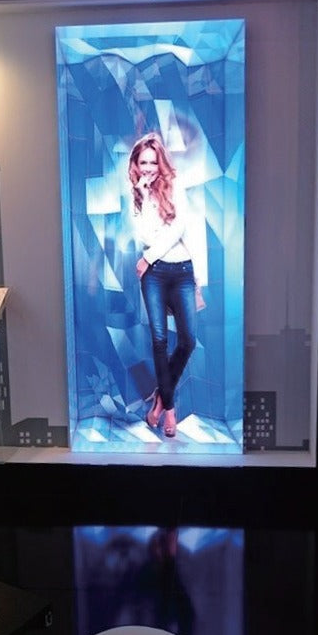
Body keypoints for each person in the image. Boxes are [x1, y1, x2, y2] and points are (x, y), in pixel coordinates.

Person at [129, 133, 206, 438]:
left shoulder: (176, 184)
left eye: (152, 162)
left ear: (160, 162)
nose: (148, 168)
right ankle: (170, 411)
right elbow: (146, 235)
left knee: (188, 340)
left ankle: (159, 400)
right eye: (143, 162)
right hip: (155, 275)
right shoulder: (137, 195)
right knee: (159, 340)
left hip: (182, 270)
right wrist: (144, 195)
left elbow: (178, 227)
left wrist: (147, 258)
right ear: (136, 164)